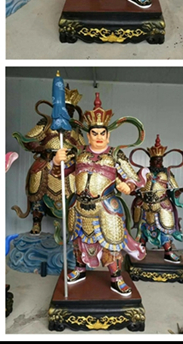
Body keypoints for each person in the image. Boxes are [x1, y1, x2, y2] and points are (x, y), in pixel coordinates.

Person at [53, 92, 148, 296]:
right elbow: (60, 173)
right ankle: (80, 269)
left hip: (106, 207)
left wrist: (128, 186)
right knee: (79, 240)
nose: (98, 137)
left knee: (111, 243)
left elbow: (134, 178)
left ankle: (116, 278)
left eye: (102, 133)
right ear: (88, 136)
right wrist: (56, 161)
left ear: (108, 135)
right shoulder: (78, 152)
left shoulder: (115, 155)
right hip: (79, 205)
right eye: (94, 133)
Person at [12, 86, 85, 238]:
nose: (68, 113)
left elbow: (82, 148)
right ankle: (36, 221)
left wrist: (74, 153)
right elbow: (29, 140)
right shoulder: (46, 123)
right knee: (36, 176)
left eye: (71, 110)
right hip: (47, 161)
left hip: (69, 164)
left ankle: (73, 225)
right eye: (65, 109)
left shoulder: (75, 128)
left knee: (79, 186)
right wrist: (44, 149)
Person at [131, 135, 183, 263]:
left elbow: (173, 189)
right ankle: (141, 248)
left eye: (159, 160)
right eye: (155, 160)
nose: (157, 163)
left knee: (165, 228)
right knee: (142, 227)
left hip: (162, 205)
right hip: (144, 204)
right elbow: (135, 185)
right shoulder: (143, 172)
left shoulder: (167, 173)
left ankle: (168, 251)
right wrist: (133, 190)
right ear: (150, 160)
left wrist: (178, 192)